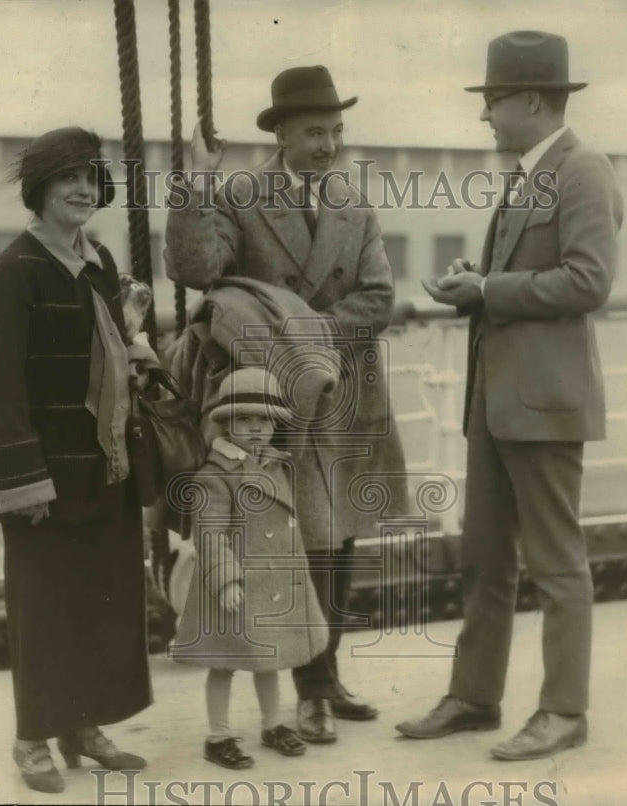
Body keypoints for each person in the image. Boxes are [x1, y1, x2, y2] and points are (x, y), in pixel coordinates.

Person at [397, 31, 623, 760]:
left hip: (543, 403)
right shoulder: (535, 172)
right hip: (496, 404)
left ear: (531, 98)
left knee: (557, 563)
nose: (484, 116)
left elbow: (589, 281)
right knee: (485, 556)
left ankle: (564, 711)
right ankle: (474, 697)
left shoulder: (583, 170)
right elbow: (537, 277)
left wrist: (489, 288)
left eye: (492, 101)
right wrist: (478, 285)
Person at [166, 65, 408, 744]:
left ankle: (324, 680)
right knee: (289, 540)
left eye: (336, 130)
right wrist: (195, 182)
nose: (329, 144)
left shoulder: (355, 205)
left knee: (339, 541)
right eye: (314, 132)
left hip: (345, 394)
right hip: (267, 403)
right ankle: (308, 690)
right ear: (282, 134)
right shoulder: (240, 194)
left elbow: (379, 300)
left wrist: (299, 330)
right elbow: (192, 271)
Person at [0, 127, 152, 793]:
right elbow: (5, 386)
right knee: (44, 608)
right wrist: (26, 483)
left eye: (90, 177)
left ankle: (85, 727)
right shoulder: (17, 271)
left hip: (104, 466)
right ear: (40, 189)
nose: (84, 189)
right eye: (67, 179)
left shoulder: (98, 262)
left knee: (101, 602)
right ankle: (32, 740)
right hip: (45, 479)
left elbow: (110, 346)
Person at [168, 368, 329, 770]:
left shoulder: (275, 463)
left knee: (268, 655)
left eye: (264, 420)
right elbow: (209, 532)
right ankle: (218, 735)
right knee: (223, 663)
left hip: (270, 583)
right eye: (244, 420)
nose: (255, 429)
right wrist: (225, 580)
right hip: (234, 583)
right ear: (226, 423)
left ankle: (272, 724)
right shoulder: (215, 475)